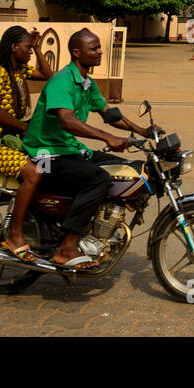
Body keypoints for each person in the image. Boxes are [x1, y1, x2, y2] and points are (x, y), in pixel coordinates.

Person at [22, 28, 157, 270]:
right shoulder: (61, 81)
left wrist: (144, 132)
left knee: (128, 168)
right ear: (77, 52)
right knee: (98, 179)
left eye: (99, 47)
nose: (100, 52)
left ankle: (100, 227)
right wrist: (108, 138)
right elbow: (67, 120)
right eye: (94, 48)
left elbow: (109, 114)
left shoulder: (87, 82)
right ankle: (67, 247)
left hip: (70, 149)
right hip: (45, 152)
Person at [0, 26, 53, 263]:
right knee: (34, 172)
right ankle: (16, 234)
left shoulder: (19, 72)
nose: (30, 52)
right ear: (13, 47)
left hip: (13, 139)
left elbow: (47, 74)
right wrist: (23, 127)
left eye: (31, 48)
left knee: (49, 162)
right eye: (27, 48)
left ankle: (39, 223)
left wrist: (38, 47)